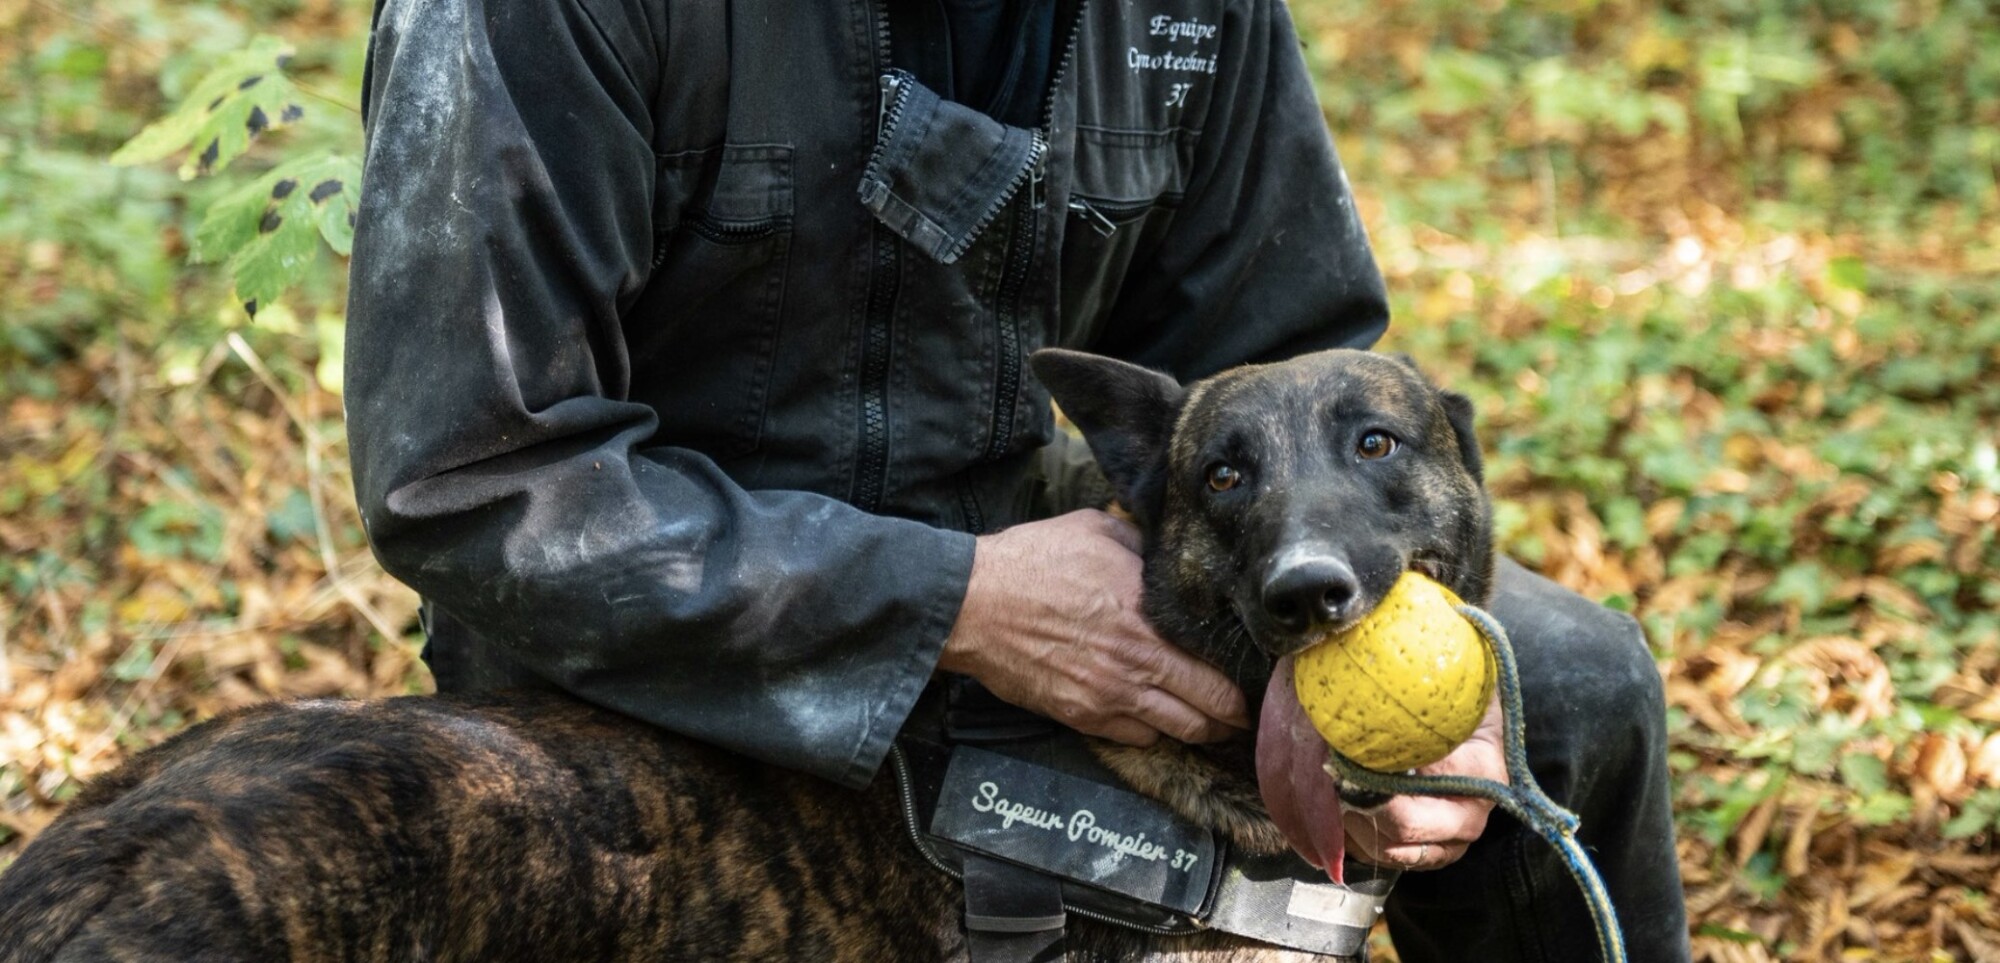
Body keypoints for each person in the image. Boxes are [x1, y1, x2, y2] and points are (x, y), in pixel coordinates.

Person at [345, 0, 1691, 959]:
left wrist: (1405, 665)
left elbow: (1282, 380)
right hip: (675, 673)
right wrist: (961, 601)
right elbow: (472, 482)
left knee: (1562, 689)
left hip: (1094, 637)